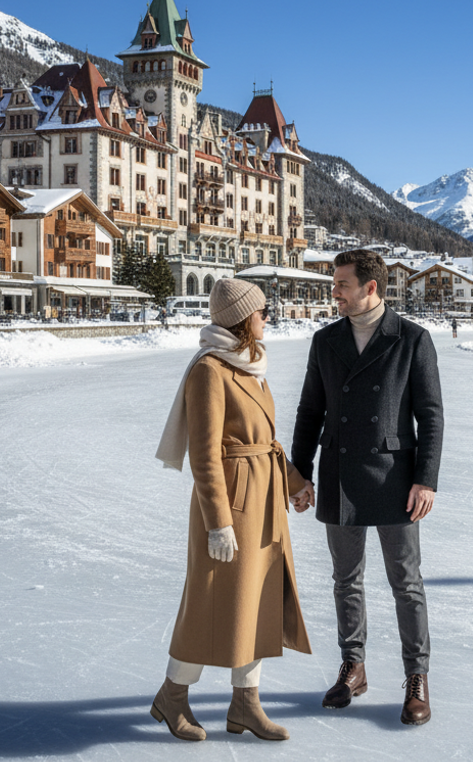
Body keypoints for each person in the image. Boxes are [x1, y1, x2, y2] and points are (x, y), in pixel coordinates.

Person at [152, 278, 315, 742]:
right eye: (262, 312)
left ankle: (245, 702)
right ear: (244, 318)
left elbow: (266, 443)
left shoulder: (249, 365)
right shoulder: (210, 370)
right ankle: (172, 695)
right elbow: (205, 455)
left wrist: (296, 483)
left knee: (256, 601)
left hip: (265, 501)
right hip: (232, 505)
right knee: (209, 601)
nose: (268, 318)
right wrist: (218, 523)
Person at [291, 249, 444, 727]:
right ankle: (353, 667)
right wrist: (300, 474)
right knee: (345, 580)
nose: (333, 291)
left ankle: (416, 678)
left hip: (395, 477)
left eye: (342, 284)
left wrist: (426, 479)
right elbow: (308, 412)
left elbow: (431, 416)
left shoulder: (412, 339)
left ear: (369, 288)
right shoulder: (325, 340)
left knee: (406, 583)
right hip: (338, 474)